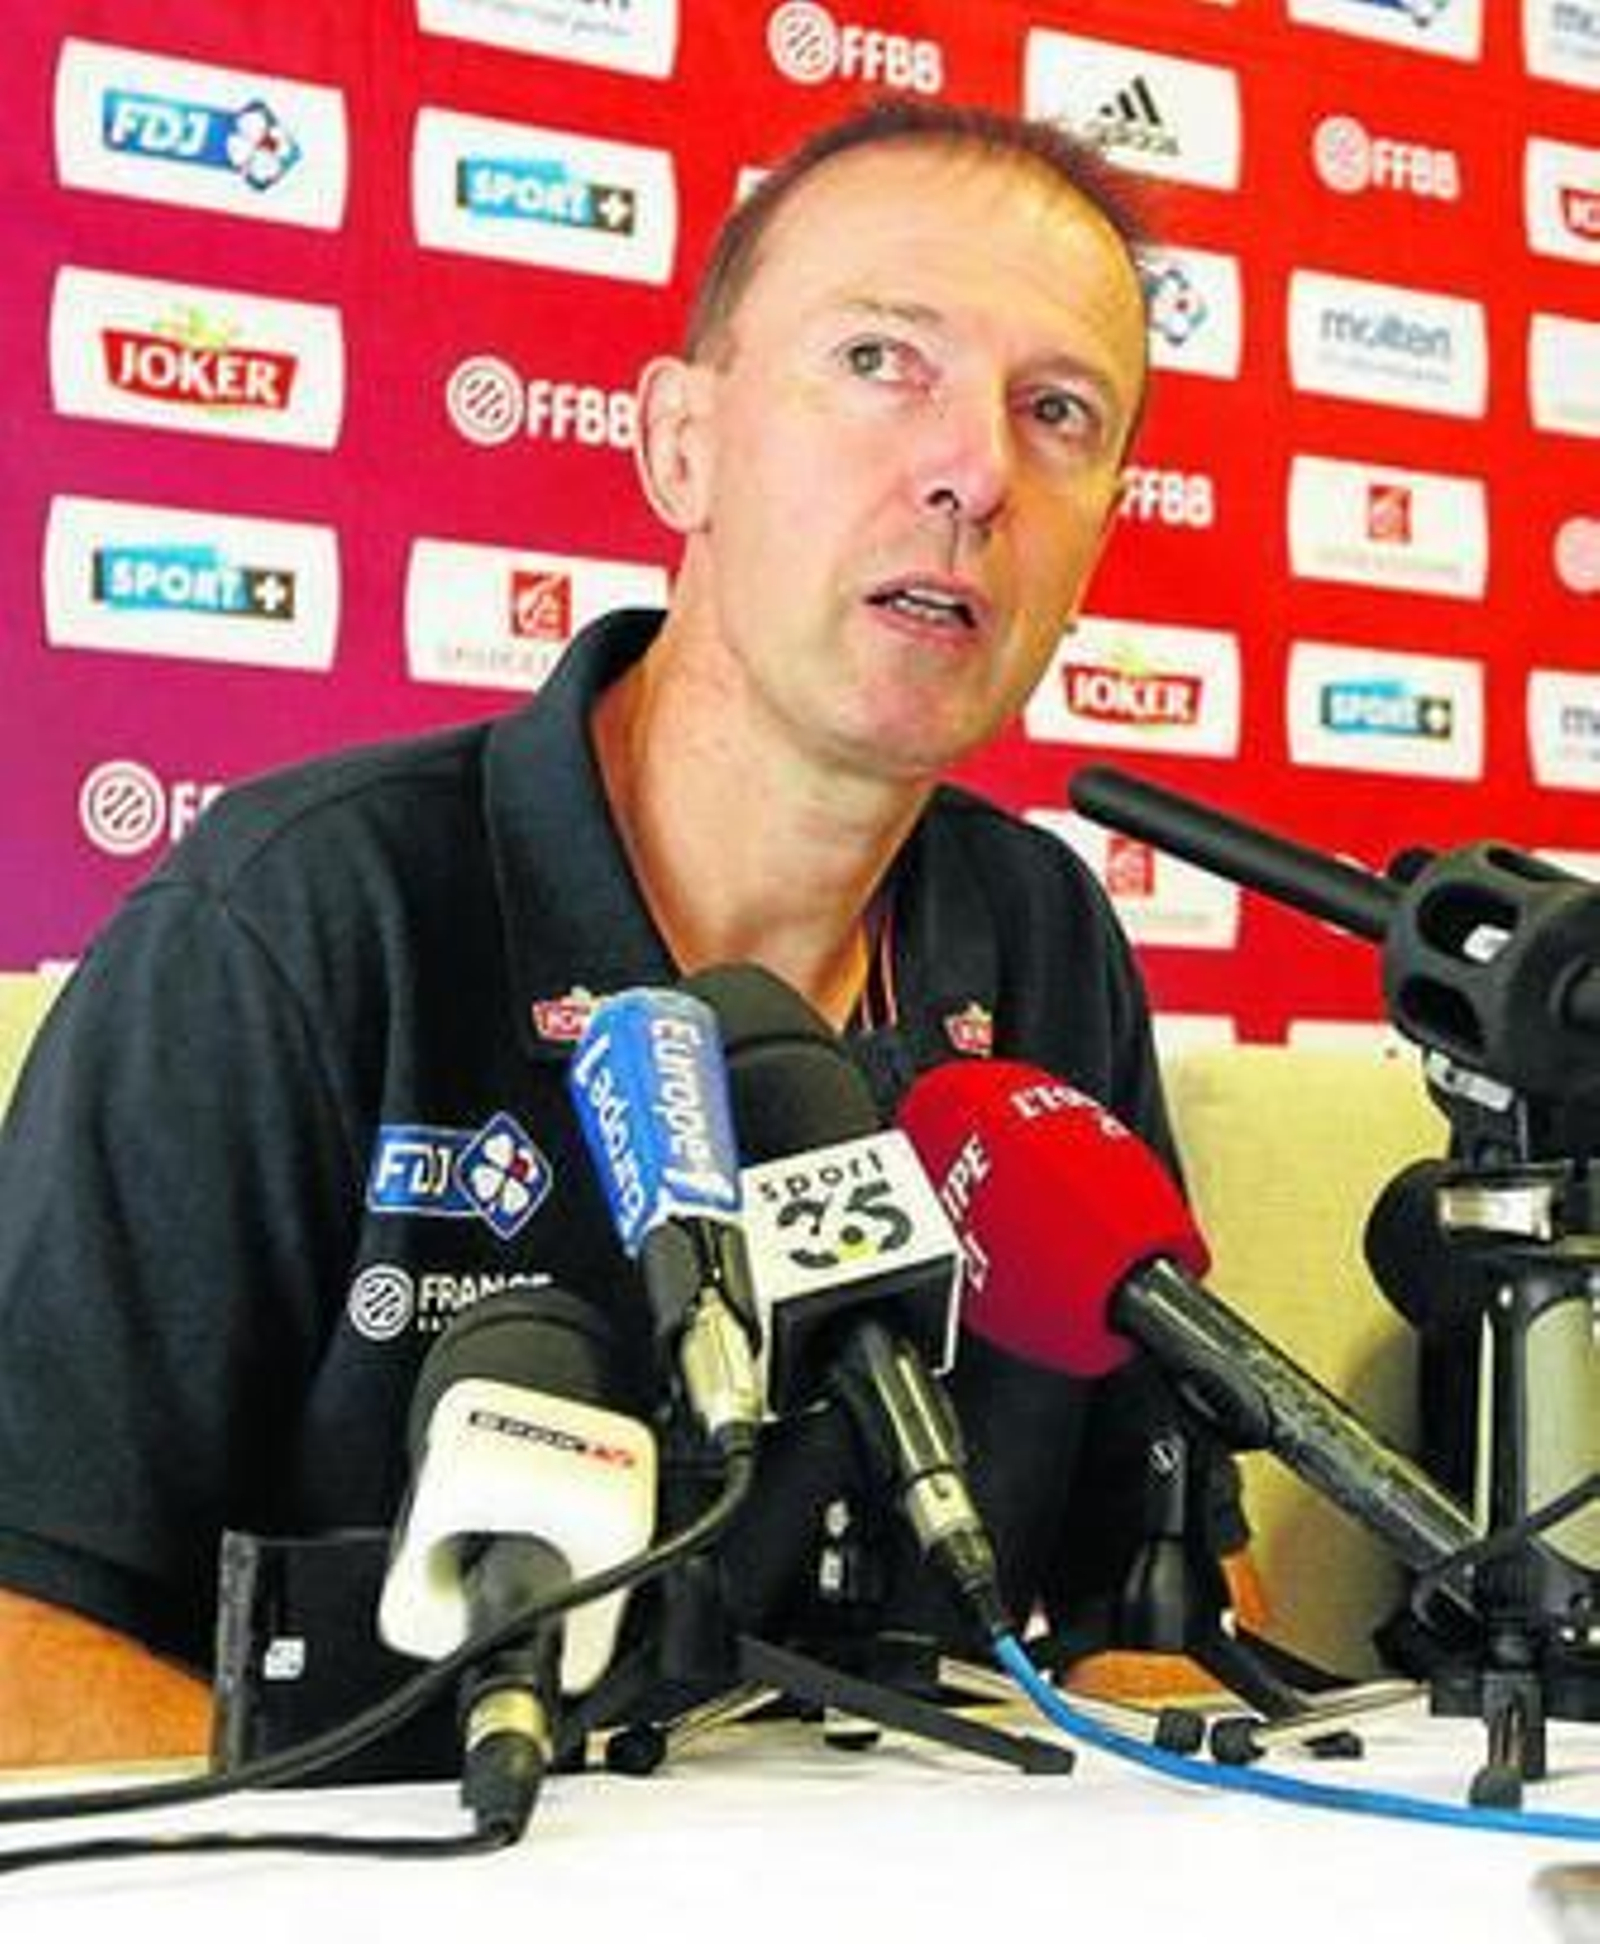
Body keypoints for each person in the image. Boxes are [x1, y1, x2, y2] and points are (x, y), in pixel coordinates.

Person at [0, 98, 1243, 1768]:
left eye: (1058, 411)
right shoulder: (297, 919)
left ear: (1099, 537)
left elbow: (1153, 1603)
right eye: (883, 360)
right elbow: (19, 1636)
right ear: (680, 445)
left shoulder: (1044, 944)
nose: (971, 471)